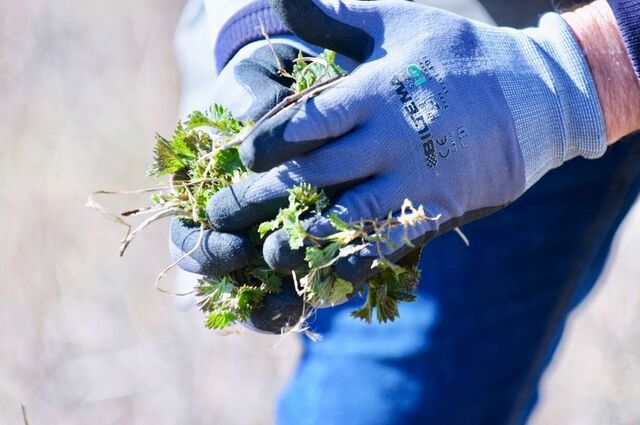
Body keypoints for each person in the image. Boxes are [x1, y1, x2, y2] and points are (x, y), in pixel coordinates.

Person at [173, 0, 640, 423]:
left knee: (393, 401)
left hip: (522, 82)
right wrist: (264, 30)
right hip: (363, 42)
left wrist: (585, 70)